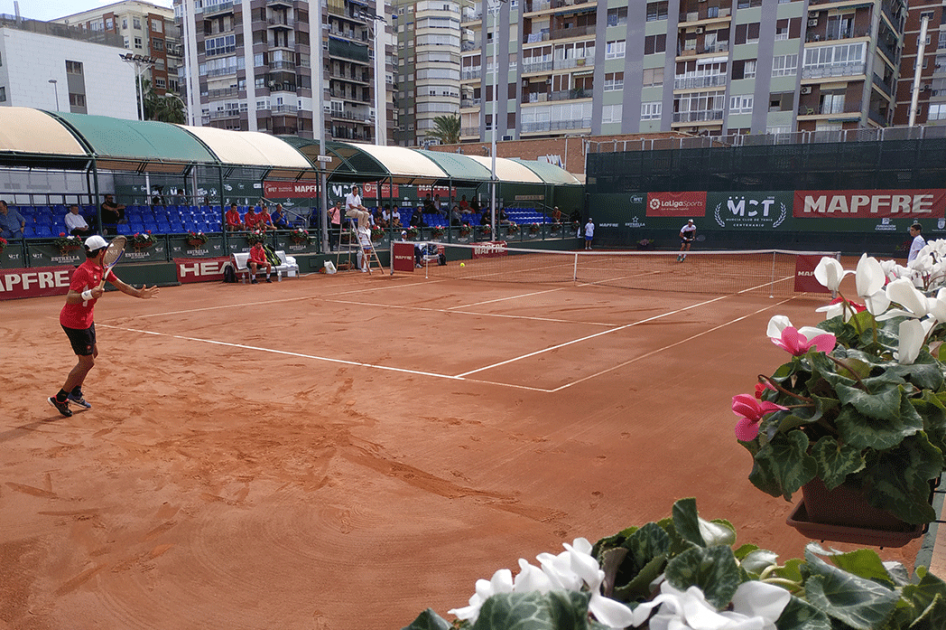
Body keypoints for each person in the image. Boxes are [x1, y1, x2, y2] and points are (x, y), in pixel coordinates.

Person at [47, 235, 159, 417]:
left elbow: (120, 285)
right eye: (106, 249)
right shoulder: (82, 271)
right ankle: (60, 398)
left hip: (87, 319)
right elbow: (70, 297)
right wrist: (89, 294)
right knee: (87, 362)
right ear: (101, 252)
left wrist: (139, 294)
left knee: (93, 354)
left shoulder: (103, 268)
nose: (108, 252)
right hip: (75, 322)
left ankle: (76, 392)